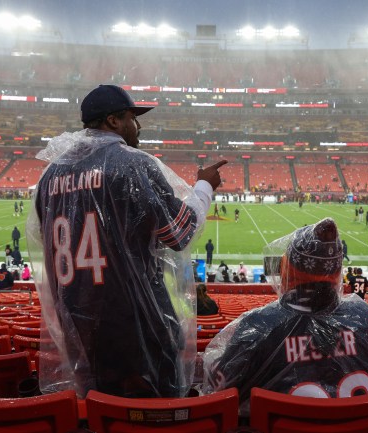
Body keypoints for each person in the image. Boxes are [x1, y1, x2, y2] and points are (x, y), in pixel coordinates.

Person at [27, 84, 226, 399]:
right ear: (112, 121)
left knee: (101, 411)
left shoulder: (51, 175)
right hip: (135, 324)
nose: (139, 125)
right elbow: (178, 233)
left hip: (79, 324)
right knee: (154, 410)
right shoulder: (132, 163)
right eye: (133, 117)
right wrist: (204, 186)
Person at [202, 218, 368, 415]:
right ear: (337, 272)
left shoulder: (259, 326)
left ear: (287, 269)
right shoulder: (365, 317)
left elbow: (218, 391)